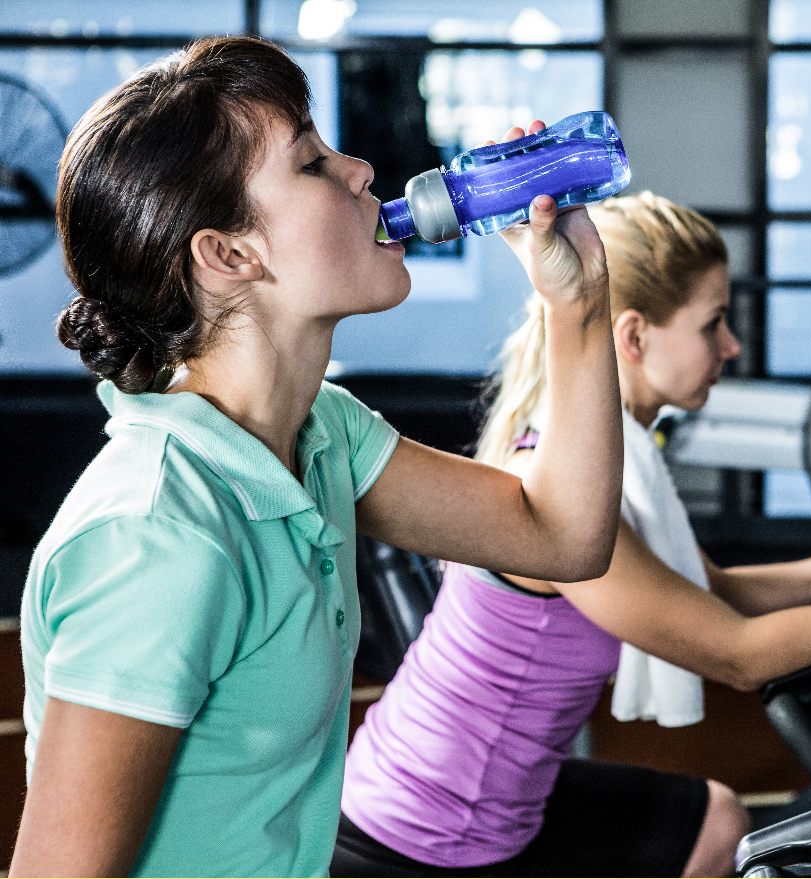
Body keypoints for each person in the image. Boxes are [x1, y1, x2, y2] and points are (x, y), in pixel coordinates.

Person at [11, 37, 623, 878]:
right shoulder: (156, 534)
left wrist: (578, 301)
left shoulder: (321, 434)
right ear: (229, 254)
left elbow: (563, 537)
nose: (363, 168)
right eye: (311, 162)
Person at [333, 192, 811, 877]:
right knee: (715, 820)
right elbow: (737, 653)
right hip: (425, 830)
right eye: (712, 322)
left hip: (497, 796)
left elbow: (709, 590)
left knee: (717, 821)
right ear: (633, 336)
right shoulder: (562, 490)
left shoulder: (609, 465)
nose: (732, 348)